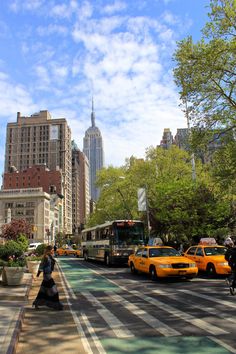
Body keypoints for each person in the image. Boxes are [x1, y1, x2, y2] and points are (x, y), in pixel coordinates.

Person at [33, 245, 63, 310]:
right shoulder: (46, 257)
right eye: (52, 250)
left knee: (43, 291)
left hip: (48, 274)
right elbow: (41, 267)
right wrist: (37, 275)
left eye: (53, 250)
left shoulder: (50, 256)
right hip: (47, 276)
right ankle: (56, 305)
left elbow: (53, 264)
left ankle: (37, 303)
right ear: (49, 250)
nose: (53, 251)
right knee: (54, 291)